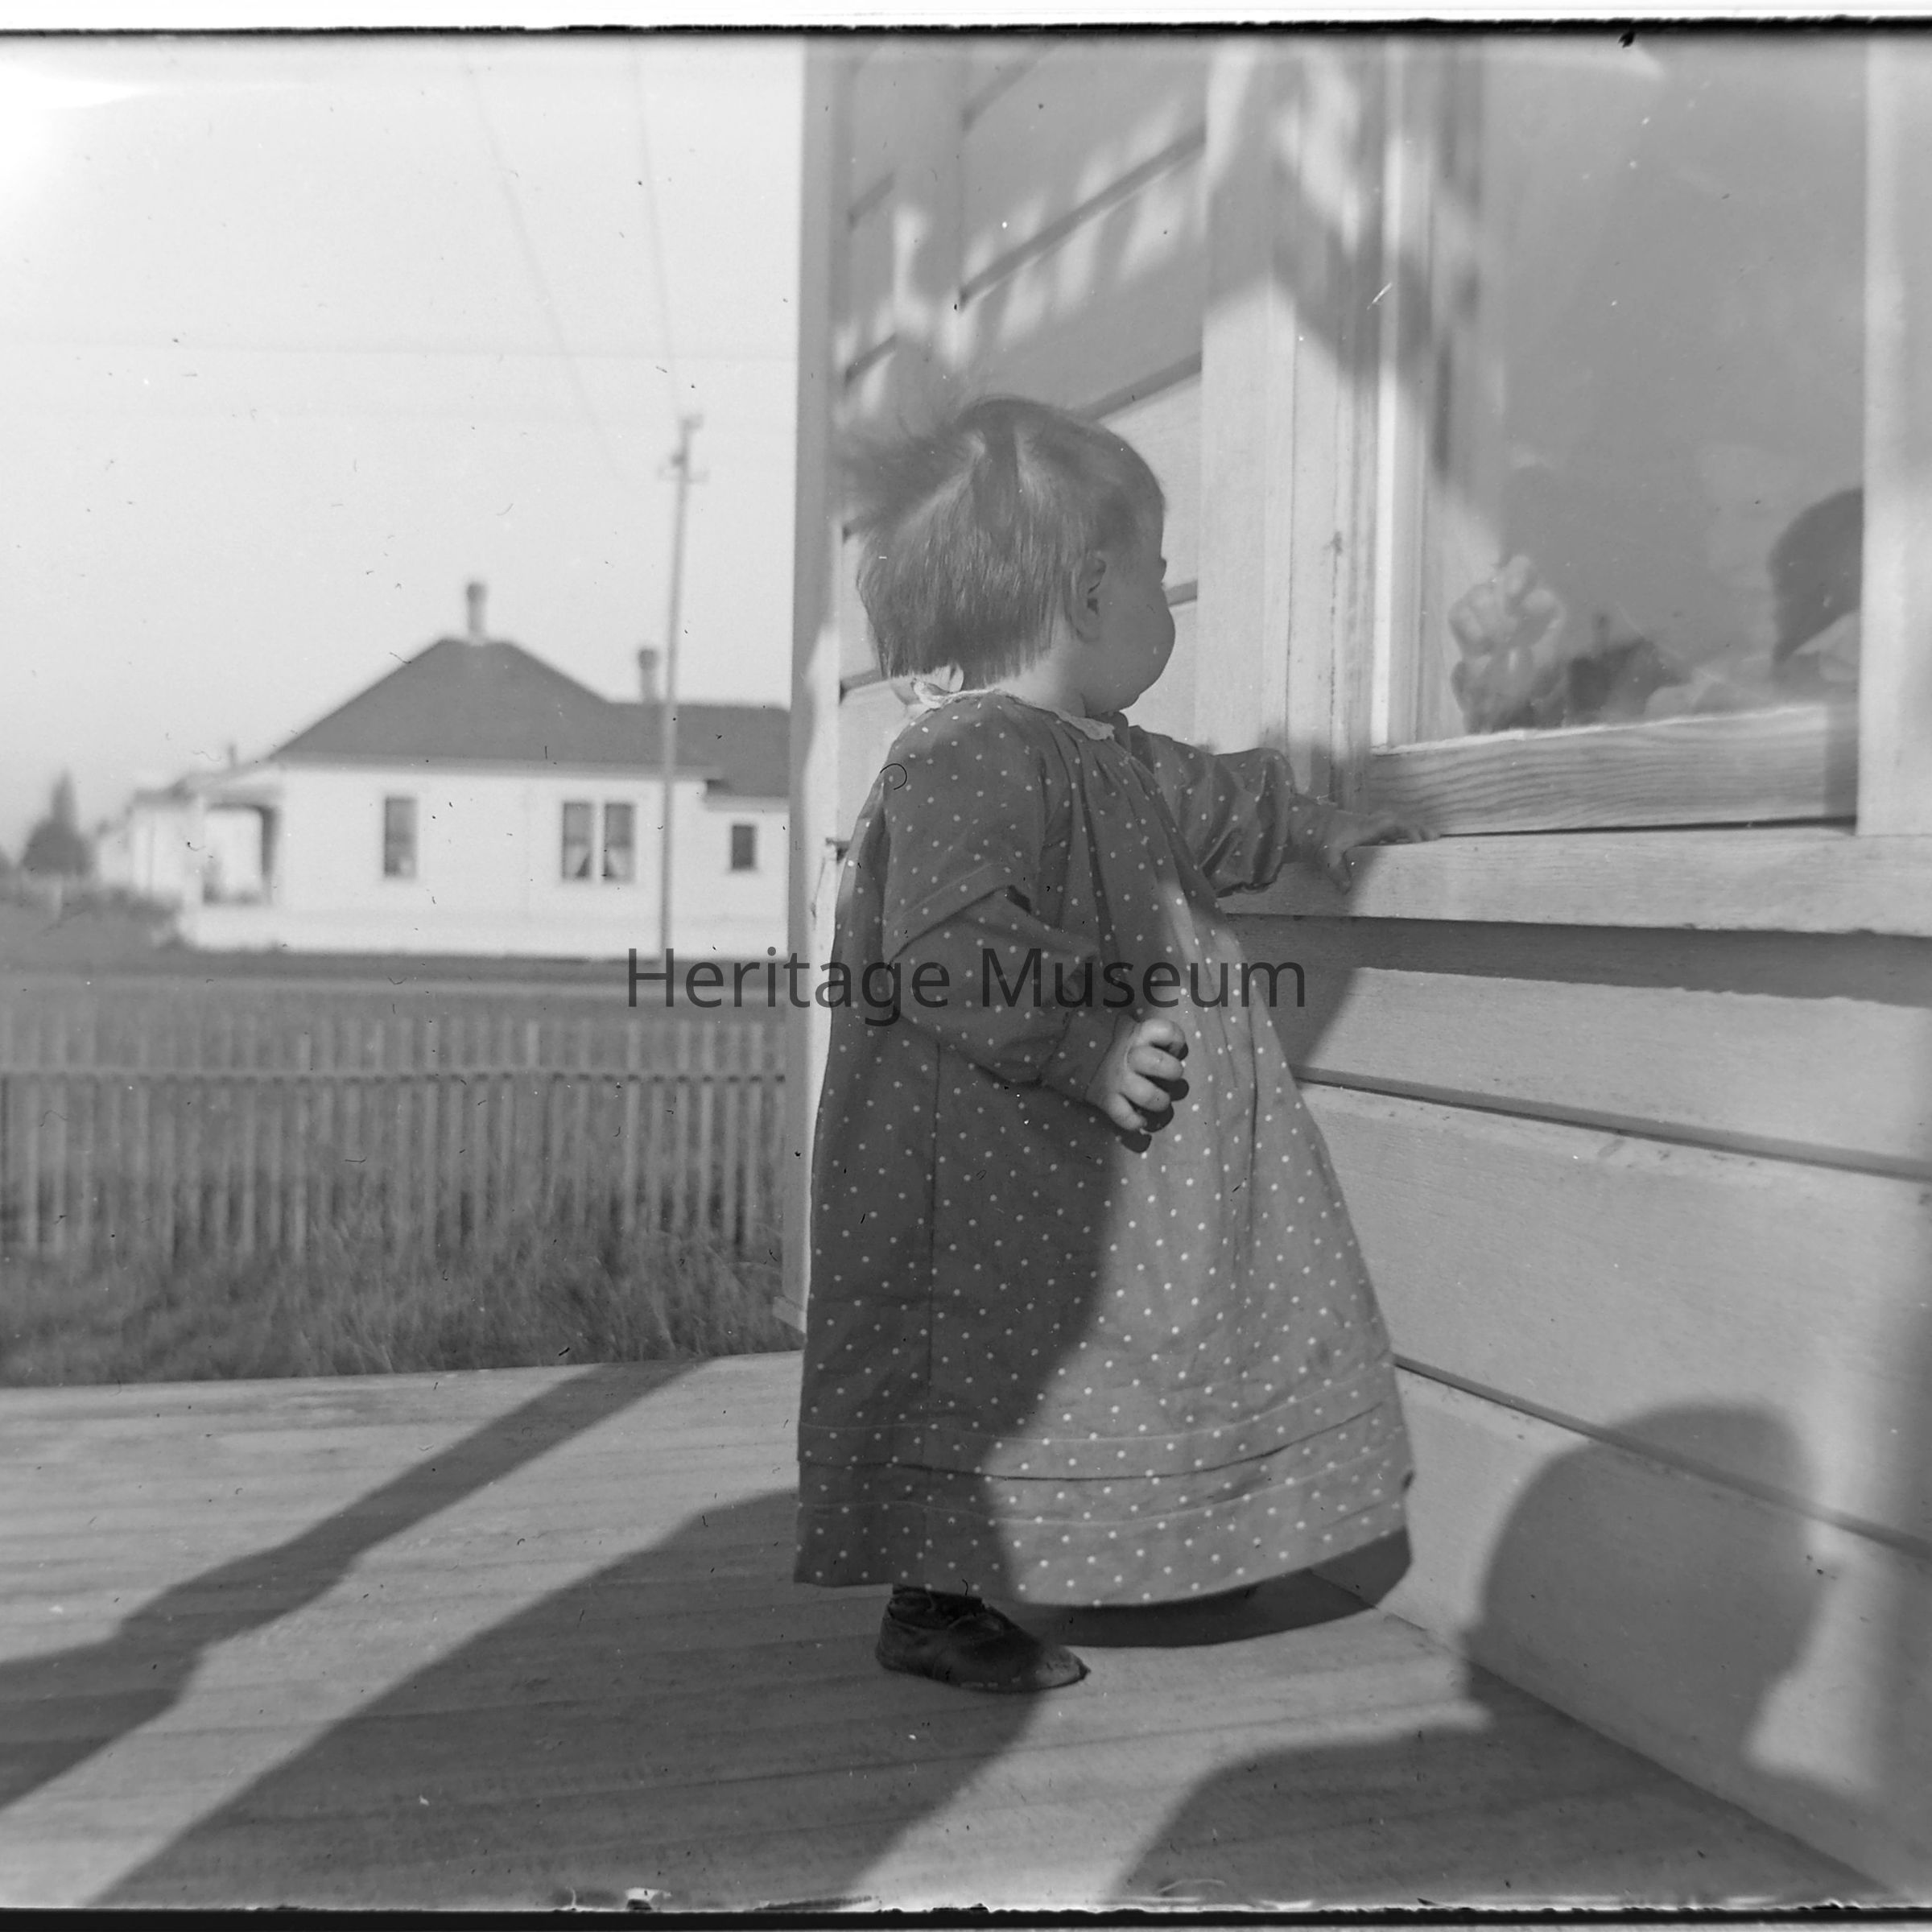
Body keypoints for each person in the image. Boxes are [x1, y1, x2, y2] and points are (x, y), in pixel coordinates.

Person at [793, 395, 1418, 1693]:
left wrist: (1318, 823)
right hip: (984, 1146)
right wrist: (1085, 1042)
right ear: (1088, 592)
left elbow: (1221, 800)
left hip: (1074, 1151)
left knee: (1120, 1345)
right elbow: (947, 945)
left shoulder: (1107, 753)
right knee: (979, 1364)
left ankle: (1175, 1525)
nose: (1165, 607)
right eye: (1157, 577)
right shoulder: (963, 755)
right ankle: (932, 1603)